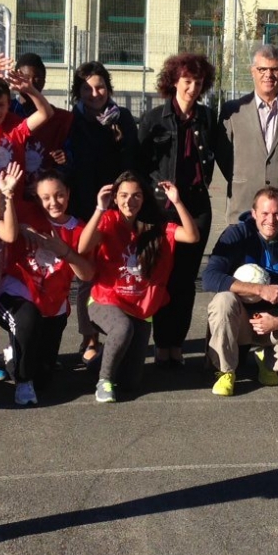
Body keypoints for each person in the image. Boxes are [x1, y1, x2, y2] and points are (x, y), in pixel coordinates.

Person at [78, 171, 201, 403]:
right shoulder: (108, 220)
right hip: (105, 300)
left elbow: (192, 236)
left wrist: (177, 201)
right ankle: (103, 381)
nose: (129, 201)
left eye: (136, 196)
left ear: (144, 199)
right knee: (122, 328)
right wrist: (99, 209)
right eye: (123, 195)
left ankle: (99, 361)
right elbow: (83, 246)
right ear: (115, 198)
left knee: (130, 382)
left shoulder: (156, 227)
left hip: (139, 308)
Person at [138, 53, 219, 366]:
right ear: (173, 81)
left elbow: (219, 157)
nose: (192, 88)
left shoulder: (207, 118)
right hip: (162, 209)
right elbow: (139, 164)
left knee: (186, 281)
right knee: (163, 277)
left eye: (198, 83)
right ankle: (161, 344)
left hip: (196, 208)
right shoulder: (154, 118)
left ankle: (177, 345)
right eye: (187, 81)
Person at [0, 162, 93, 407]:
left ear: (68, 193)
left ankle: (11, 357)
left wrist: (65, 252)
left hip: (53, 305)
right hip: (17, 292)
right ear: (37, 199)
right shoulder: (27, 213)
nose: (54, 202)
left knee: (45, 378)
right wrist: (7, 195)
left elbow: (87, 274)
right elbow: (2, 222)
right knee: (27, 321)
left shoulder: (79, 228)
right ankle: (22, 381)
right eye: (46, 197)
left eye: (59, 195)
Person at [200, 185, 278, 395]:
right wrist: (259, 289)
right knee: (222, 300)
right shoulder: (236, 235)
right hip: (239, 319)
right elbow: (209, 277)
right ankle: (226, 371)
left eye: (277, 214)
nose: (271, 220)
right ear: (254, 214)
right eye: (265, 213)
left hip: (273, 319)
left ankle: (267, 361)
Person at [66, 61, 139, 366]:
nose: (94, 93)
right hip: (85, 206)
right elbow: (67, 163)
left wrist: (120, 138)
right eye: (86, 88)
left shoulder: (121, 117)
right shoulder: (72, 121)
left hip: (118, 208)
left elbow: (134, 159)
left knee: (119, 269)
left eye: (99, 87)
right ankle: (89, 337)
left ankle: (121, 332)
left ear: (108, 88)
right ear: (78, 91)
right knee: (86, 275)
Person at [216, 44, 278, 216]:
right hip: (243, 204)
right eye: (262, 69)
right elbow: (223, 155)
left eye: (274, 69)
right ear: (252, 70)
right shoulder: (232, 111)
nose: (268, 75)